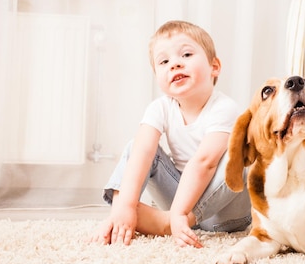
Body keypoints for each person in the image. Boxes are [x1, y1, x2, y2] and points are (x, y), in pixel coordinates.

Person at [89, 20, 251, 248]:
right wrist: (126, 205)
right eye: (164, 61)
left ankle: (166, 222)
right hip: (181, 200)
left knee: (243, 155)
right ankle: (121, 212)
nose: (174, 64)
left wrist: (178, 213)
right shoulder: (160, 108)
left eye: (186, 55)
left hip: (224, 214)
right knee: (136, 146)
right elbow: (143, 153)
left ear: (214, 66)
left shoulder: (225, 108)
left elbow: (204, 163)